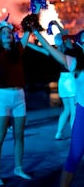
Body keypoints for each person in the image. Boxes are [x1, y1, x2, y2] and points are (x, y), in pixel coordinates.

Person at [0, 5, 43, 185]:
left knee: (19, 135)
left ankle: (18, 167)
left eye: (10, 33)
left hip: (19, 96)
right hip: (2, 97)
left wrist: (35, 8)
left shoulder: (19, 49)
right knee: (0, 137)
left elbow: (28, 27)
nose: (8, 35)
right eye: (4, 33)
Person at [33, 29, 84, 187]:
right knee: (74, 156)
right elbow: (49, 48)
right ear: (81, 44)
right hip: (83, 113)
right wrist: (35, 30)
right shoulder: (74, 63)